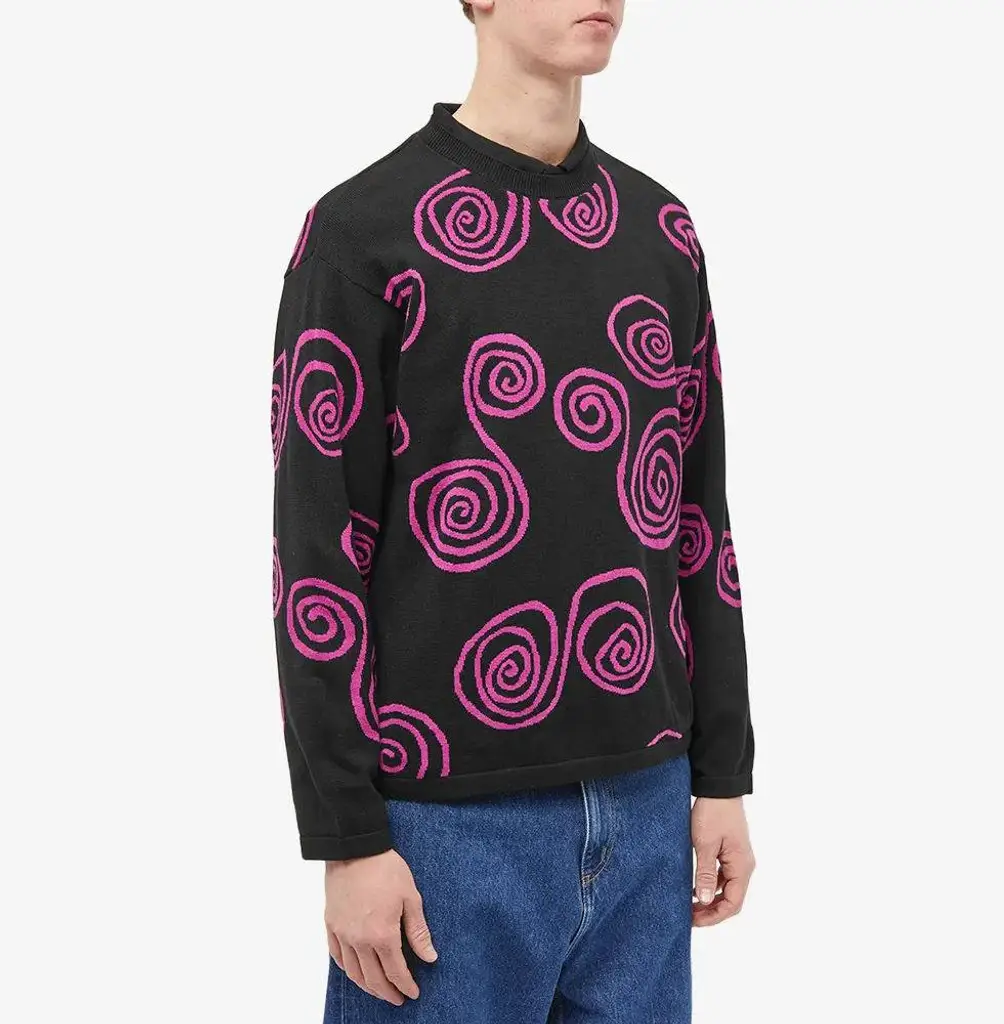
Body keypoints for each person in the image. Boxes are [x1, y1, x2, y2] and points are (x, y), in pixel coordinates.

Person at [270, 2, 755, 1020]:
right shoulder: (364, 232)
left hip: (649, 802)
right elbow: (317, 553)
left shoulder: (660, 230)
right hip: (444, 825)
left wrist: (722, 774)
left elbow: (697, 522)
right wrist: (348, 835)